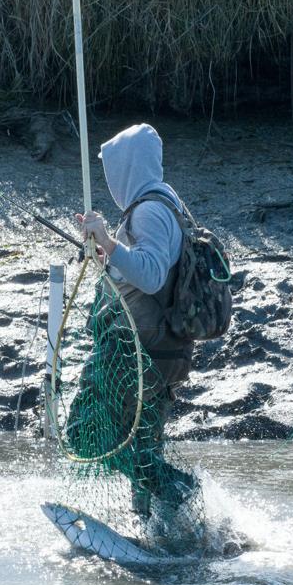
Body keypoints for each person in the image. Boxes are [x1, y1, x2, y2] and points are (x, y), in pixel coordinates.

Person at [73, 123, 195, 521]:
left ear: (126, 168)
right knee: (143, 448)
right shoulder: (166, 203)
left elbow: (153, 274)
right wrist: (108, 256)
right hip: (159, 350)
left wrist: (108, 243)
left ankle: (180, 491)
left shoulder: (151, 211)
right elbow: (143, 268)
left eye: (113, 170)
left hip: (137, 351)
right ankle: (161, 533)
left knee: (83, 431)